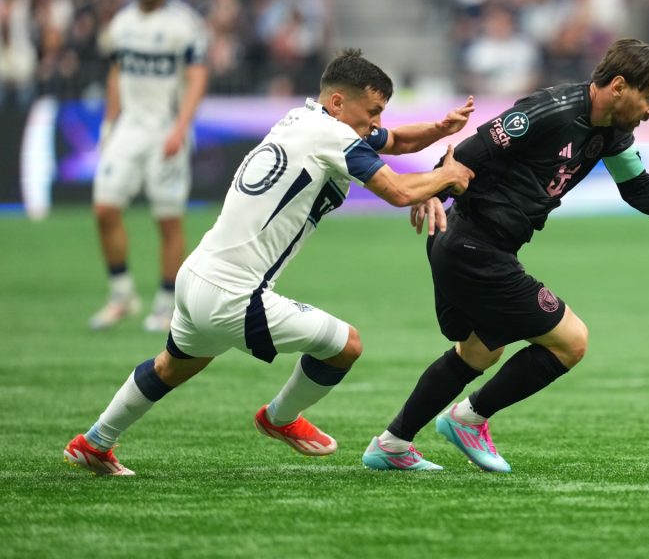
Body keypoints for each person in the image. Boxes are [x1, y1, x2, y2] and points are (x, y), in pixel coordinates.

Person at [63, 49, 476, 476]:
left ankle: (94, 442)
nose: (376, 121)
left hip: (196, 276)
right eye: (372, 111)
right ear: (338, 103)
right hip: (234, 293)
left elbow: (394, 141)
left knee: (171, 366)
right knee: (345, 346)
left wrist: (438, 129)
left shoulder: (305, 120)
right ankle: (279, 418)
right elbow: (399, 191)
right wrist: (449, 175)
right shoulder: (332, 137)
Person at [362, 38, 649, 472]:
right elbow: (470, 151)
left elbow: (637, 189)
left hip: (474, 247)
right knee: (571, 341)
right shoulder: (551, 110)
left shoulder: (616, 131)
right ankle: (468, 420)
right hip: (472, 246)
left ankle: (391, 444)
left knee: (480, 352)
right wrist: (431, 188)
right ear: (618, 86)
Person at [88, 0, 209, 332]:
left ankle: (166, 303)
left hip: (166, 130)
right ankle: (121, 295)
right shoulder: (121, 23)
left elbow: (197, 76)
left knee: (168, 220)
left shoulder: (184, 24)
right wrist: (109, 124)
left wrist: (181, 128)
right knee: (104, 209)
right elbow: (116, 74)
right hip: (128, 129)